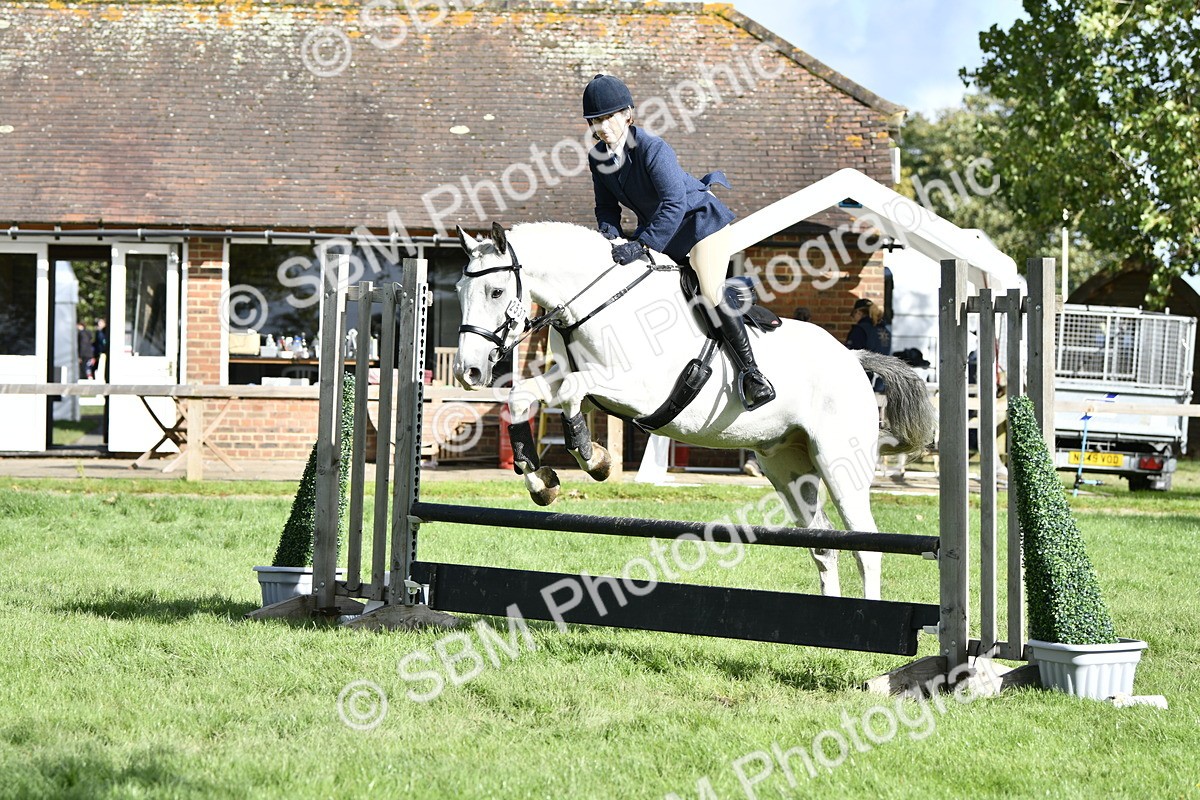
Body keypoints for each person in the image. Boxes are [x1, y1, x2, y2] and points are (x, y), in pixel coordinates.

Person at [582, 74, 775, 410]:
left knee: (710, 290)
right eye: (596, 121)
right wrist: (609, 237)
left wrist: (642, 245)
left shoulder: (653, 148)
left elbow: (675, 203)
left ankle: (753, 375)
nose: (603, 127)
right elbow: (606, 206)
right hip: (664, 235)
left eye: (609, 117)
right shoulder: (598, 157)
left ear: (628, 115)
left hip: (700, 225)